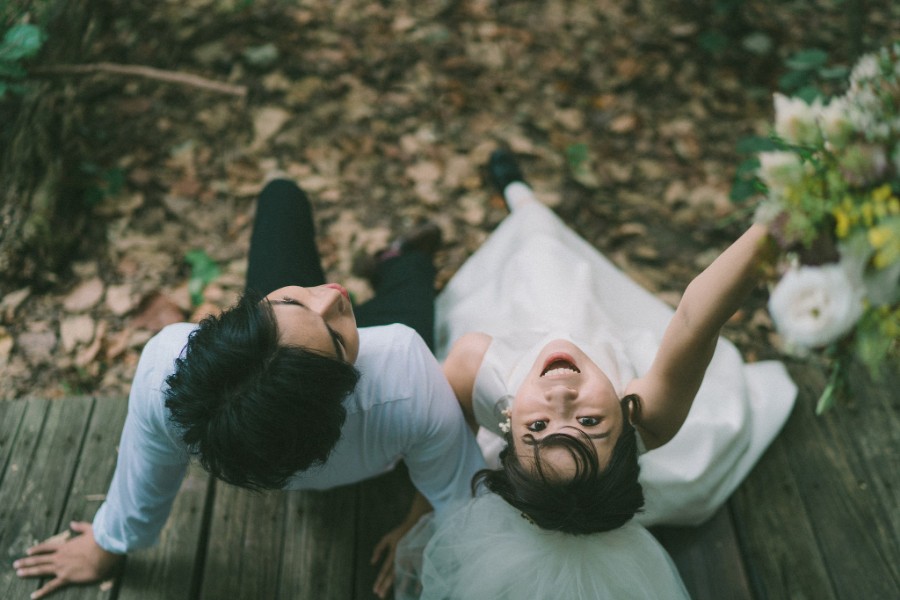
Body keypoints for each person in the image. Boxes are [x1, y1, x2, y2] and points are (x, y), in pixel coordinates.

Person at [13, 178, 486, 599]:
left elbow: (452, 495)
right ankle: (404, 261)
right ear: (342, 393)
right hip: (363, 358)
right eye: (335, 338)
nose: (332, 292)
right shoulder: (404, 372)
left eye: (292, 300)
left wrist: (104, 546)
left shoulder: (167, 365)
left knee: (281, 194)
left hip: (278, 347)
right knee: (412, 295)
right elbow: (461, 496)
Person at [394, 150, 798, 599]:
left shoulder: (475, 363)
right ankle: (522, 199)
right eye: (589, 424)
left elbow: (444, 442)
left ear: (509, 431)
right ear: (627, 426)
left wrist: (423, 513)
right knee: (550, 254)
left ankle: (520, 198)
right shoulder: (652, 417)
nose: (561, 399)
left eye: (538, 427)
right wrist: (780, 221)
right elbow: (694, 320)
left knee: (536, 249)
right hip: (596, 325)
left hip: (524, 313)